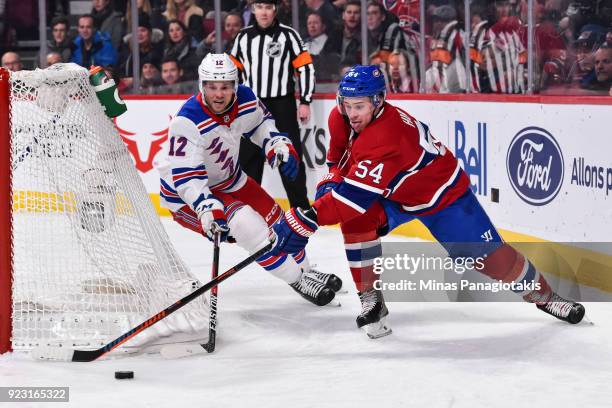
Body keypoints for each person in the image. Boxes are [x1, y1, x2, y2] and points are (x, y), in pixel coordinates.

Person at [269, 65, 586, 338]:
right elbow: (338, 162)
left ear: (378, 102)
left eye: (360, 106)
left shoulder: (387, 136)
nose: (351, 113)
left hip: (443, 198)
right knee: (356, 220)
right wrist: (327, 188)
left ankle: (546, 297)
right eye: (347, 104)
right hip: (395, 194)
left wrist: (299, 219)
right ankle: (371, 297)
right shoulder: (342, 117)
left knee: (495, 262)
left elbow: (351, 199)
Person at [157, 53, 341, 306]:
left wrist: (276, 145)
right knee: (249, 227)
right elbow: (187, 176)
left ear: (235, 85)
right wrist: (208, 209)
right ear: (202, 85)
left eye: (224, 87)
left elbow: (261, 123)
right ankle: (296, 279)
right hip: (186, 194)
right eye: (212, 87)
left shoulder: (245, 98)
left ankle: (307, 270)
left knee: (280, 222)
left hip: (230, 178)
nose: (218, 94)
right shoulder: (187, 120)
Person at [229, 0, 314, 210]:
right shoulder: (243, 37)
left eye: (268, 7)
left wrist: (305, 101)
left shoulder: (289, 35)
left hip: (282, 105)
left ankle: (301, 209)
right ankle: (245, 211)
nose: (264, 12)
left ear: (274, 10)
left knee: (289, 156)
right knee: (249, 158)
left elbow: (306, 68)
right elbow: (232, 72)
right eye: (259, 7)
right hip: (252, 106)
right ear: (253, 10)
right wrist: (233, 103)